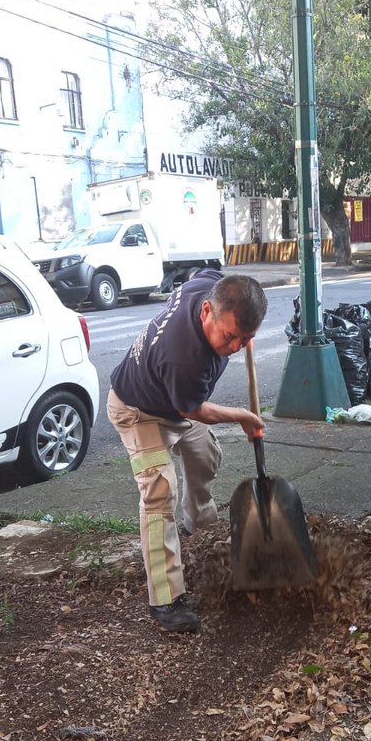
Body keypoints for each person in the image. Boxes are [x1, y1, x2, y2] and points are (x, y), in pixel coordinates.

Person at [107, 270, 268, 634]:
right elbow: (192, 410)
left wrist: (243, 333)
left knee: (206, 456)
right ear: (206, 311)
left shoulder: (206, 285)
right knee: (159, 490)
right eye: (229, 337)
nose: (235, 347)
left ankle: (198, 528)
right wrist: (242, 417)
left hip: (171, 400)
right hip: (137, 410)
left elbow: (202, 274)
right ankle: (166, 601)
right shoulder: (184, 357)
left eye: (246, 339)